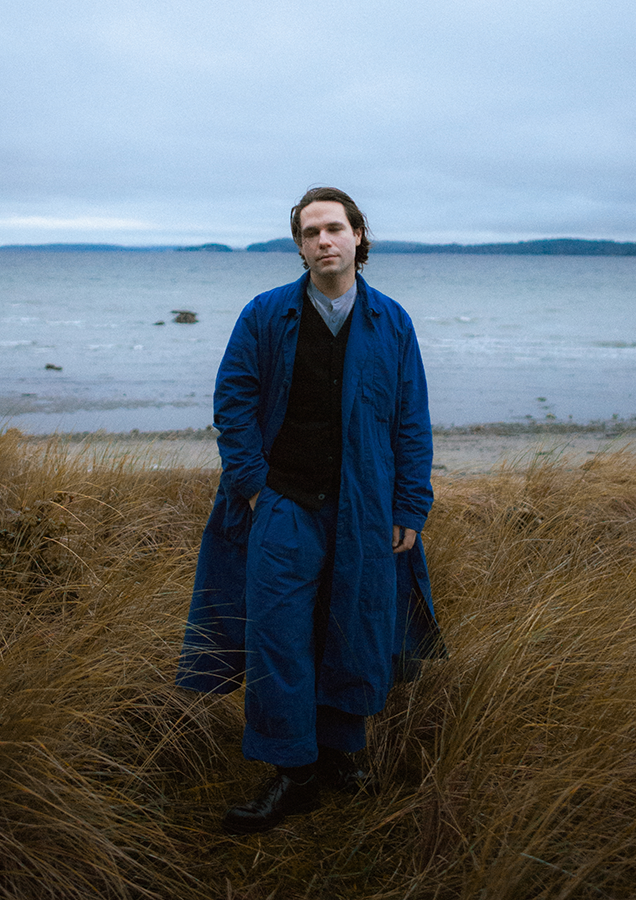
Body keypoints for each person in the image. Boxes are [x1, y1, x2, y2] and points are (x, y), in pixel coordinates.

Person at [176, 187, 442, 834]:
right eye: (310, 232)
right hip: (282, 505)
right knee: (279, 637)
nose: (324, 241)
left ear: (358, 236)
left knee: (352, 629)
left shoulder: (392, 322)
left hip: (364, 508)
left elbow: (411, 419)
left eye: (334, 229)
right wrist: (252, 485)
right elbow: (232, 402)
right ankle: (292, 774)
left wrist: (410, 501)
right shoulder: (266, 315)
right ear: (299, 246)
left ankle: (341, 757)